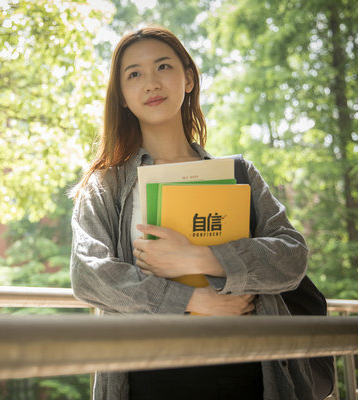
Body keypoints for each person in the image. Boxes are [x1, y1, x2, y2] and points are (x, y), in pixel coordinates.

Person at [69, 26, 316, 400]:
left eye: (163, 67)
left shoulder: (238, 174)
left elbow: (293, 256)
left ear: (187, 79)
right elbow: (88, 274)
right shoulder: (107, 185)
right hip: (150, 376)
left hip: (250, 369)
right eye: (134, 74)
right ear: (121, 96)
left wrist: (201, 257)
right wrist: (188, 301)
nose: (150, 83)